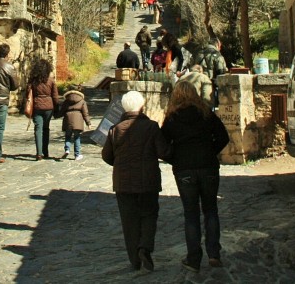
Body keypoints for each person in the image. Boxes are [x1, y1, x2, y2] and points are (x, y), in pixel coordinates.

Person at [161, 80, 230, 273]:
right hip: (208, 167)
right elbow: (223, 136)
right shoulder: (206, 114)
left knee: (191, 213)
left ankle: (193, 258)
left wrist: (175, 158)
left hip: (184, 169)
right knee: (211, 210)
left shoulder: (172, 118)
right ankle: (214, 254)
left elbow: (162, 144)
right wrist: (210, 151)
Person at [102, 90, 170, 274]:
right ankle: (145, 247)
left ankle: (134, 260)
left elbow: (107, 156)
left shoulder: (115, 130)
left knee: (129, 221)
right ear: (141, 107)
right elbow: (163, 152)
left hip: (123, 182)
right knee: (149, 214)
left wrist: (121, 163)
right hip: (148, 180)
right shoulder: (151, 127)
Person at [27, 59, 59, 160]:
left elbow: (27, 94)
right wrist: (57, 107)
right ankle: (45, 151)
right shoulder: (51, 81)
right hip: (48, 107)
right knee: (46, 129)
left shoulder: (33, 81)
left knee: (38, 129)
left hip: (37, 106)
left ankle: (39, 153)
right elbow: (55, 96)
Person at [59, 87, 91, 160]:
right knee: (77, 137)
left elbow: (61, 111)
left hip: (68, 120)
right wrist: (88, 123)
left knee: (68, 136)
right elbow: (85, 113)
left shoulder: (66, 101)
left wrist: (55, 115)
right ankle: (77, 155)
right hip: (78, 121)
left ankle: (67, 149)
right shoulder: (82, 101)